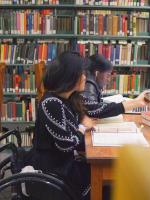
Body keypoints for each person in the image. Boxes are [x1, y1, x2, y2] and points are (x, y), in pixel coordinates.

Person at [30, 52, 93, 198]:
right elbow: (66, 144)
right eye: (82, 73)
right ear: (71, 77)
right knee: (104, 182)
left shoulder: (67, 98)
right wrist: (82, 128)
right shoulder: (52, 102)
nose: (85, 77)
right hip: (54, 170)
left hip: (64, 163)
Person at [81, 54, 148, 118]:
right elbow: (94, 110)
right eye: (107, 75)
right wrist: (134, 103)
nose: (109, 79)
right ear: (97, 73)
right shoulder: (88, 85)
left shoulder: (90, 81)